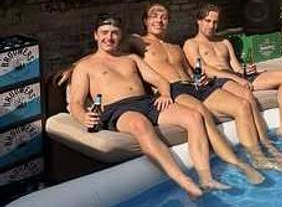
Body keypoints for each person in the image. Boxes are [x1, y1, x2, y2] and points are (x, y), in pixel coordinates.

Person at [69, 15, 229, 199]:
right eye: (104, 33)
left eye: (114, 33)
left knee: (194, 117)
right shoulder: (85, 66)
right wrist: (83, 117)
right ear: (96, 35)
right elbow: (76, 103)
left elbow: (159, 80)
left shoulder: (131, 58)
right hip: (118, 109)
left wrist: (165, 94)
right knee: (140, 125)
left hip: (146, 102)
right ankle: (185, 182)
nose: (109, 37)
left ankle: (206, 178)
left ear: (120, 35)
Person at [125, 3, 265, 184]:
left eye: (164, 17)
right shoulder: (137, 41)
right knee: (202, 112)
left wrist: (200, 78)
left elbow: (191, 72)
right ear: (145, 21)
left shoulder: (176, 47)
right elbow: (112, 48)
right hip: (173, 88)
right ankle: (238, 164)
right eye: (154, 16)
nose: (159, 20)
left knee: (242, 105)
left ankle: (257, 156)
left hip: (195, 86)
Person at [184, 4, 282, 168]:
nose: (211, 26)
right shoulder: (191, 44)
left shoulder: (224, 42)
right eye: (207, 21)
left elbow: (236, 67)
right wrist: (234, 77)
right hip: (219, 80)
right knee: (246, 95)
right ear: (199, 21)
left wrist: (246, 70)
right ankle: (266, 145)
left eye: (215, 22)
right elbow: (203, 69)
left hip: (236, 77)